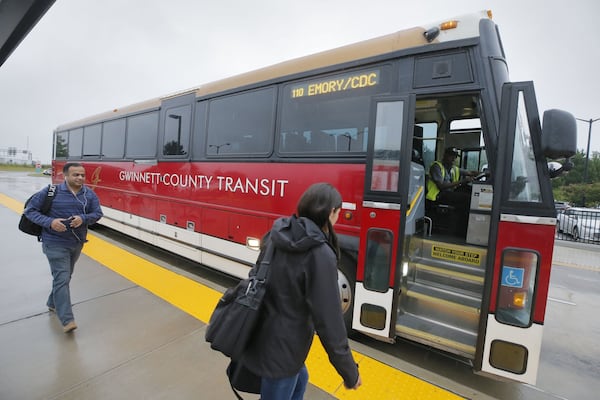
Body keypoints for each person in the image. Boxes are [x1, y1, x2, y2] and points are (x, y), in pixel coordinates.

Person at [240, 183, 361, 400]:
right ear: (330, 212)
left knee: (300, 381)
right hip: (282, 350)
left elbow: (256, 274)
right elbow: (330, 322)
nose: (338, 219)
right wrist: (349, 372)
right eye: (338, 213)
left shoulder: (278, 232)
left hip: (267, 334)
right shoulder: (320, 254)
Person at [24, 162, 103, 333]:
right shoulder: (50, 192)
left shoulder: (89, 195)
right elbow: (30, 211)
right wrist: (50, 222)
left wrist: (83, 218)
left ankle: (52, 303)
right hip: (53, 242)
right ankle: (67, 319)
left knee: (65, 277)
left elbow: (97, 214)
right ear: (65, 176)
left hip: (76, 243)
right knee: (62, 277)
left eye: (82, 175)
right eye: (76, 175)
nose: (80, 178)